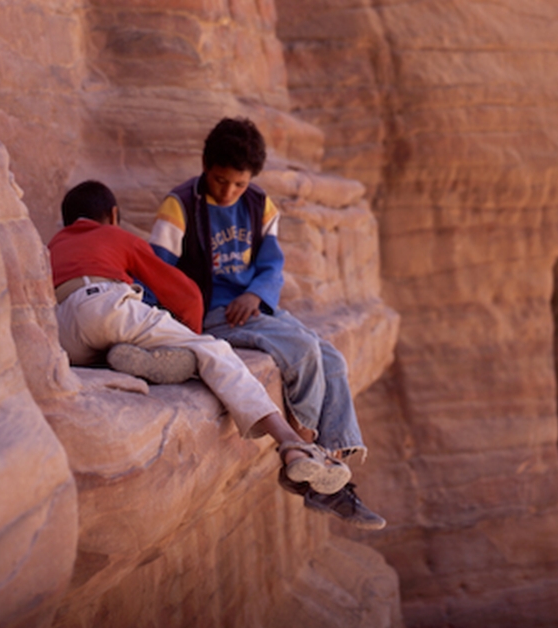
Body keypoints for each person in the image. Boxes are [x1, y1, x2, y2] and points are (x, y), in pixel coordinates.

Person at [150, 118, 386, 529]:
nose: (228, 191)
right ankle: (303, 457)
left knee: (332, 359)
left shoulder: (260, 205)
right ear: (205, 166)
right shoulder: (181, 205)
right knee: (303, 350)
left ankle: (330, 471)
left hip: (257, 308)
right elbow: (157, 269)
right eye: (220, 180)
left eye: (239, 184)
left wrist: (256, 294)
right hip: (212, 314)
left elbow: (272, 265)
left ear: (251, 179)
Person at [48, 179, 351, 496]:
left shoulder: (52, 247)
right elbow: (186, 294)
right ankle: (292, 444)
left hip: (65, 329)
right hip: (108, 304)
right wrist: (191, 336)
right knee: (213, 351)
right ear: (113, 214)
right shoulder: (116, 236)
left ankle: (118, 358)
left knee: (104, 341)